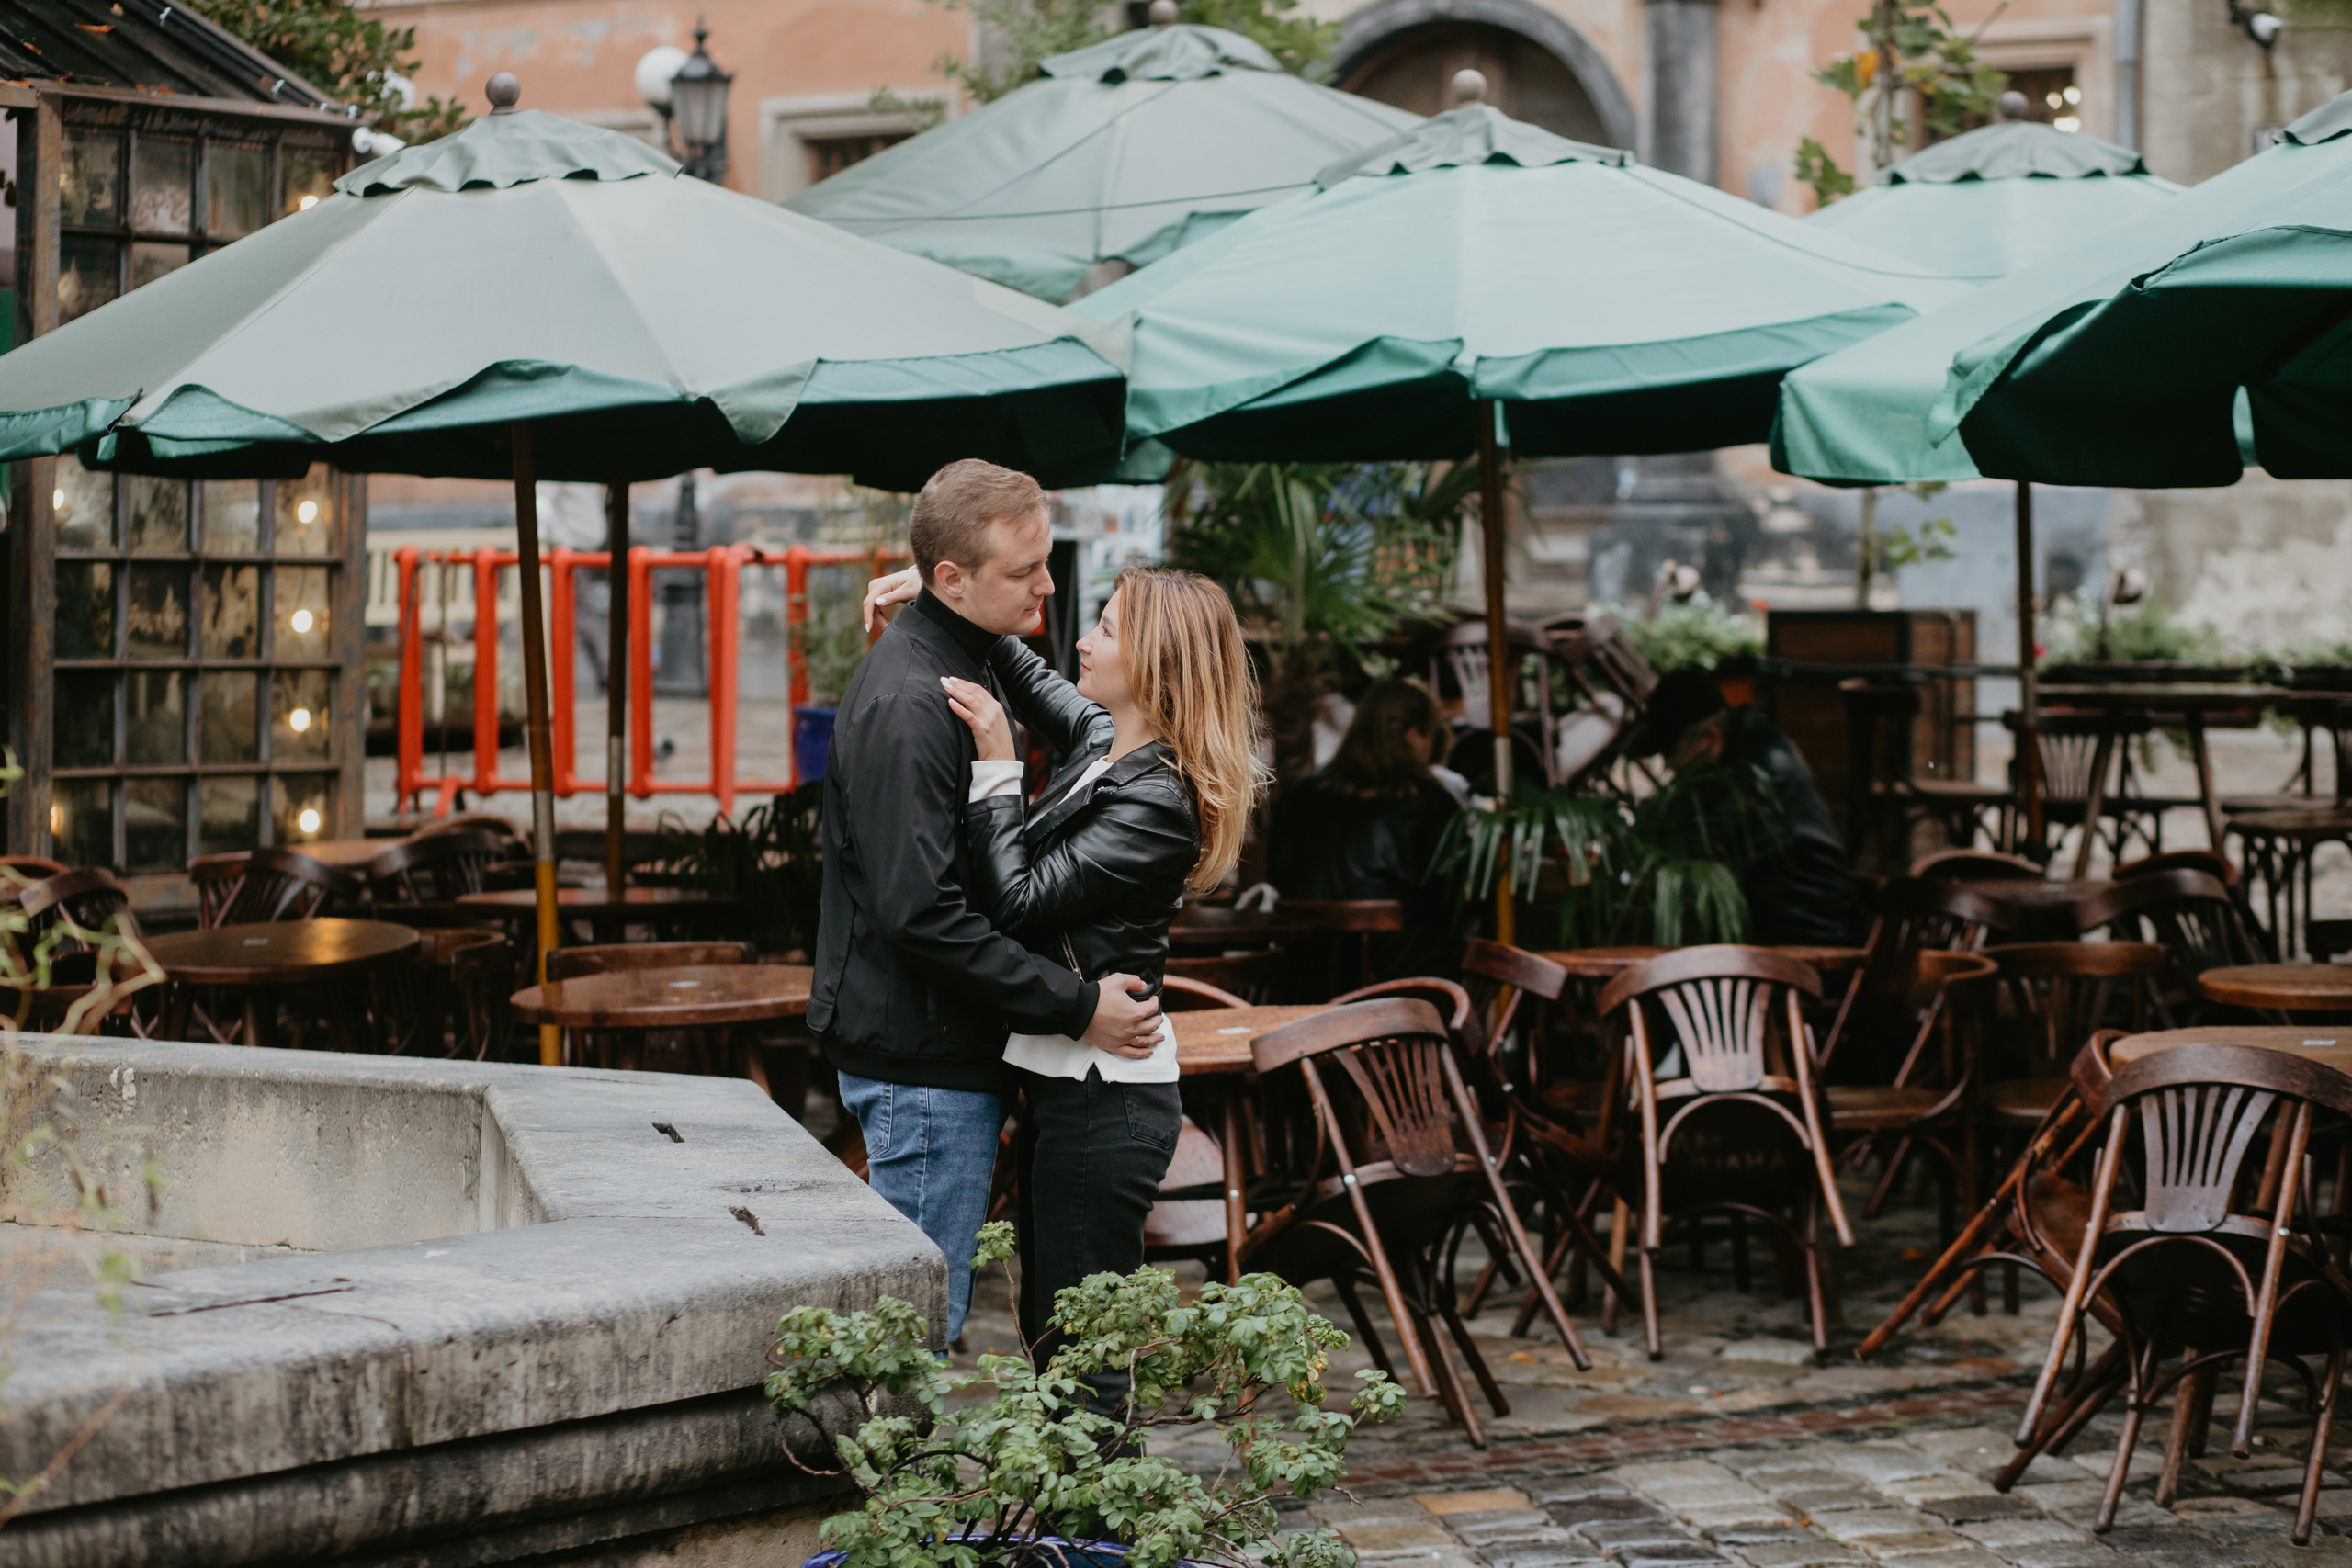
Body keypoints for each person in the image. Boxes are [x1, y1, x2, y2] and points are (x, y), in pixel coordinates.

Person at [865, 561, 1264, 1362]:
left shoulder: (1157, 800)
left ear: (1155, 663)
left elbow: (1016, 901)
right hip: (1071, 1086)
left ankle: (1098, 1456)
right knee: (1056, 1338)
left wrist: (997, 762)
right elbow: (1026, 670)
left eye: (1106, 629)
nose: (1082, 640)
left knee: (1081, 1356)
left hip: (1105, 1101)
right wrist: (951, 584)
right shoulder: (1105, 743)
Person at [809, 459, 1163, 1348]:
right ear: (954, 576)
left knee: (926, 1321)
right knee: (917, 1333)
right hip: (924, 1055)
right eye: (1025, 570)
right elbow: (925, 913)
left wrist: (949, 602)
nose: (1049, 587)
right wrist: (1077, 1004)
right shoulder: (912, 698)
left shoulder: (960, 656)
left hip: (947, 1045)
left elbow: (1045, 691)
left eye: (1044, 562)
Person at [1623, 667, 1862, 946]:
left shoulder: (1755, 775)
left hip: (1807, 941)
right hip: (1789, 931)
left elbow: (1694, 848)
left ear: (1709, 739)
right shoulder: (1752, 744)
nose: (1669, 766)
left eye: (1670, 752)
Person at [1268, 679, 1466, 979]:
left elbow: (1278, 875)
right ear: (1414, 734)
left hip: (1308, 978)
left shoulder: (1301, 795)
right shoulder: (1430, 804)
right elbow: (1456, 899)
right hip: (1404, 984)